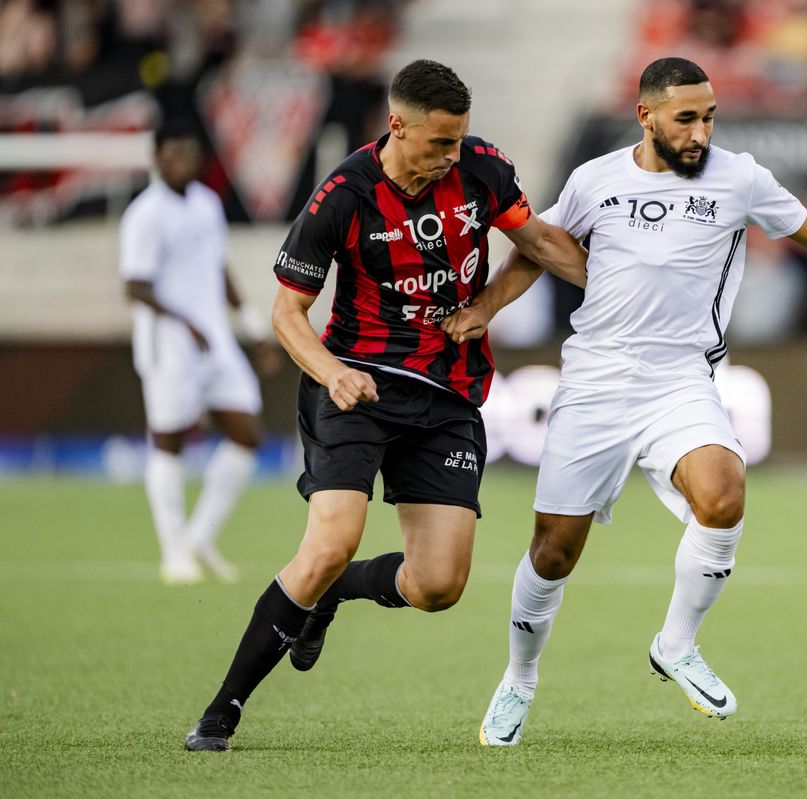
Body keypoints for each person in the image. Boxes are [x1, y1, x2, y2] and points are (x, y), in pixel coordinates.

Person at [440, 57, 807, 746]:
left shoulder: (739, 178)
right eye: (686, 118)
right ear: (646, 117)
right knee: (554, 553)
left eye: (709, 116)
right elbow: (537, 246)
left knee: (724, 492)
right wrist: (485, 308)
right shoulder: (595, 179)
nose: (701, 131)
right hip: (594, 381)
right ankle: (519, 678)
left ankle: (676, 643)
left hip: (679, 379)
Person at [183, 59, 587, 752]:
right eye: (438, 143)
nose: (451, 155)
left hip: (449, 393)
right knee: (329, 542)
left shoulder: (484, 169)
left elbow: (538, 243)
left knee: (438, 585)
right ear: (397, 125)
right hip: (358, 386)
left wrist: (496, 304)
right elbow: (288, 313)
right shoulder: (343, 193)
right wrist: (332, 373)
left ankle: (336, 594)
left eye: (459, 140)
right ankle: (221, 710)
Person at [119, 120, 277, 586]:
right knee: (168, 440)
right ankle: (173, 553)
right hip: (169, 345)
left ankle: (198, 538)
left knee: (247, 432)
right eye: (175, 153)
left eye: (191, 152)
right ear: (157, 158)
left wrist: (250, 325)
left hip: (215, 339)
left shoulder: (207, 204)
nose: (185, 161)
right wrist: (185, 323)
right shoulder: (145, 214)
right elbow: (135, 285)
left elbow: (218, 268)